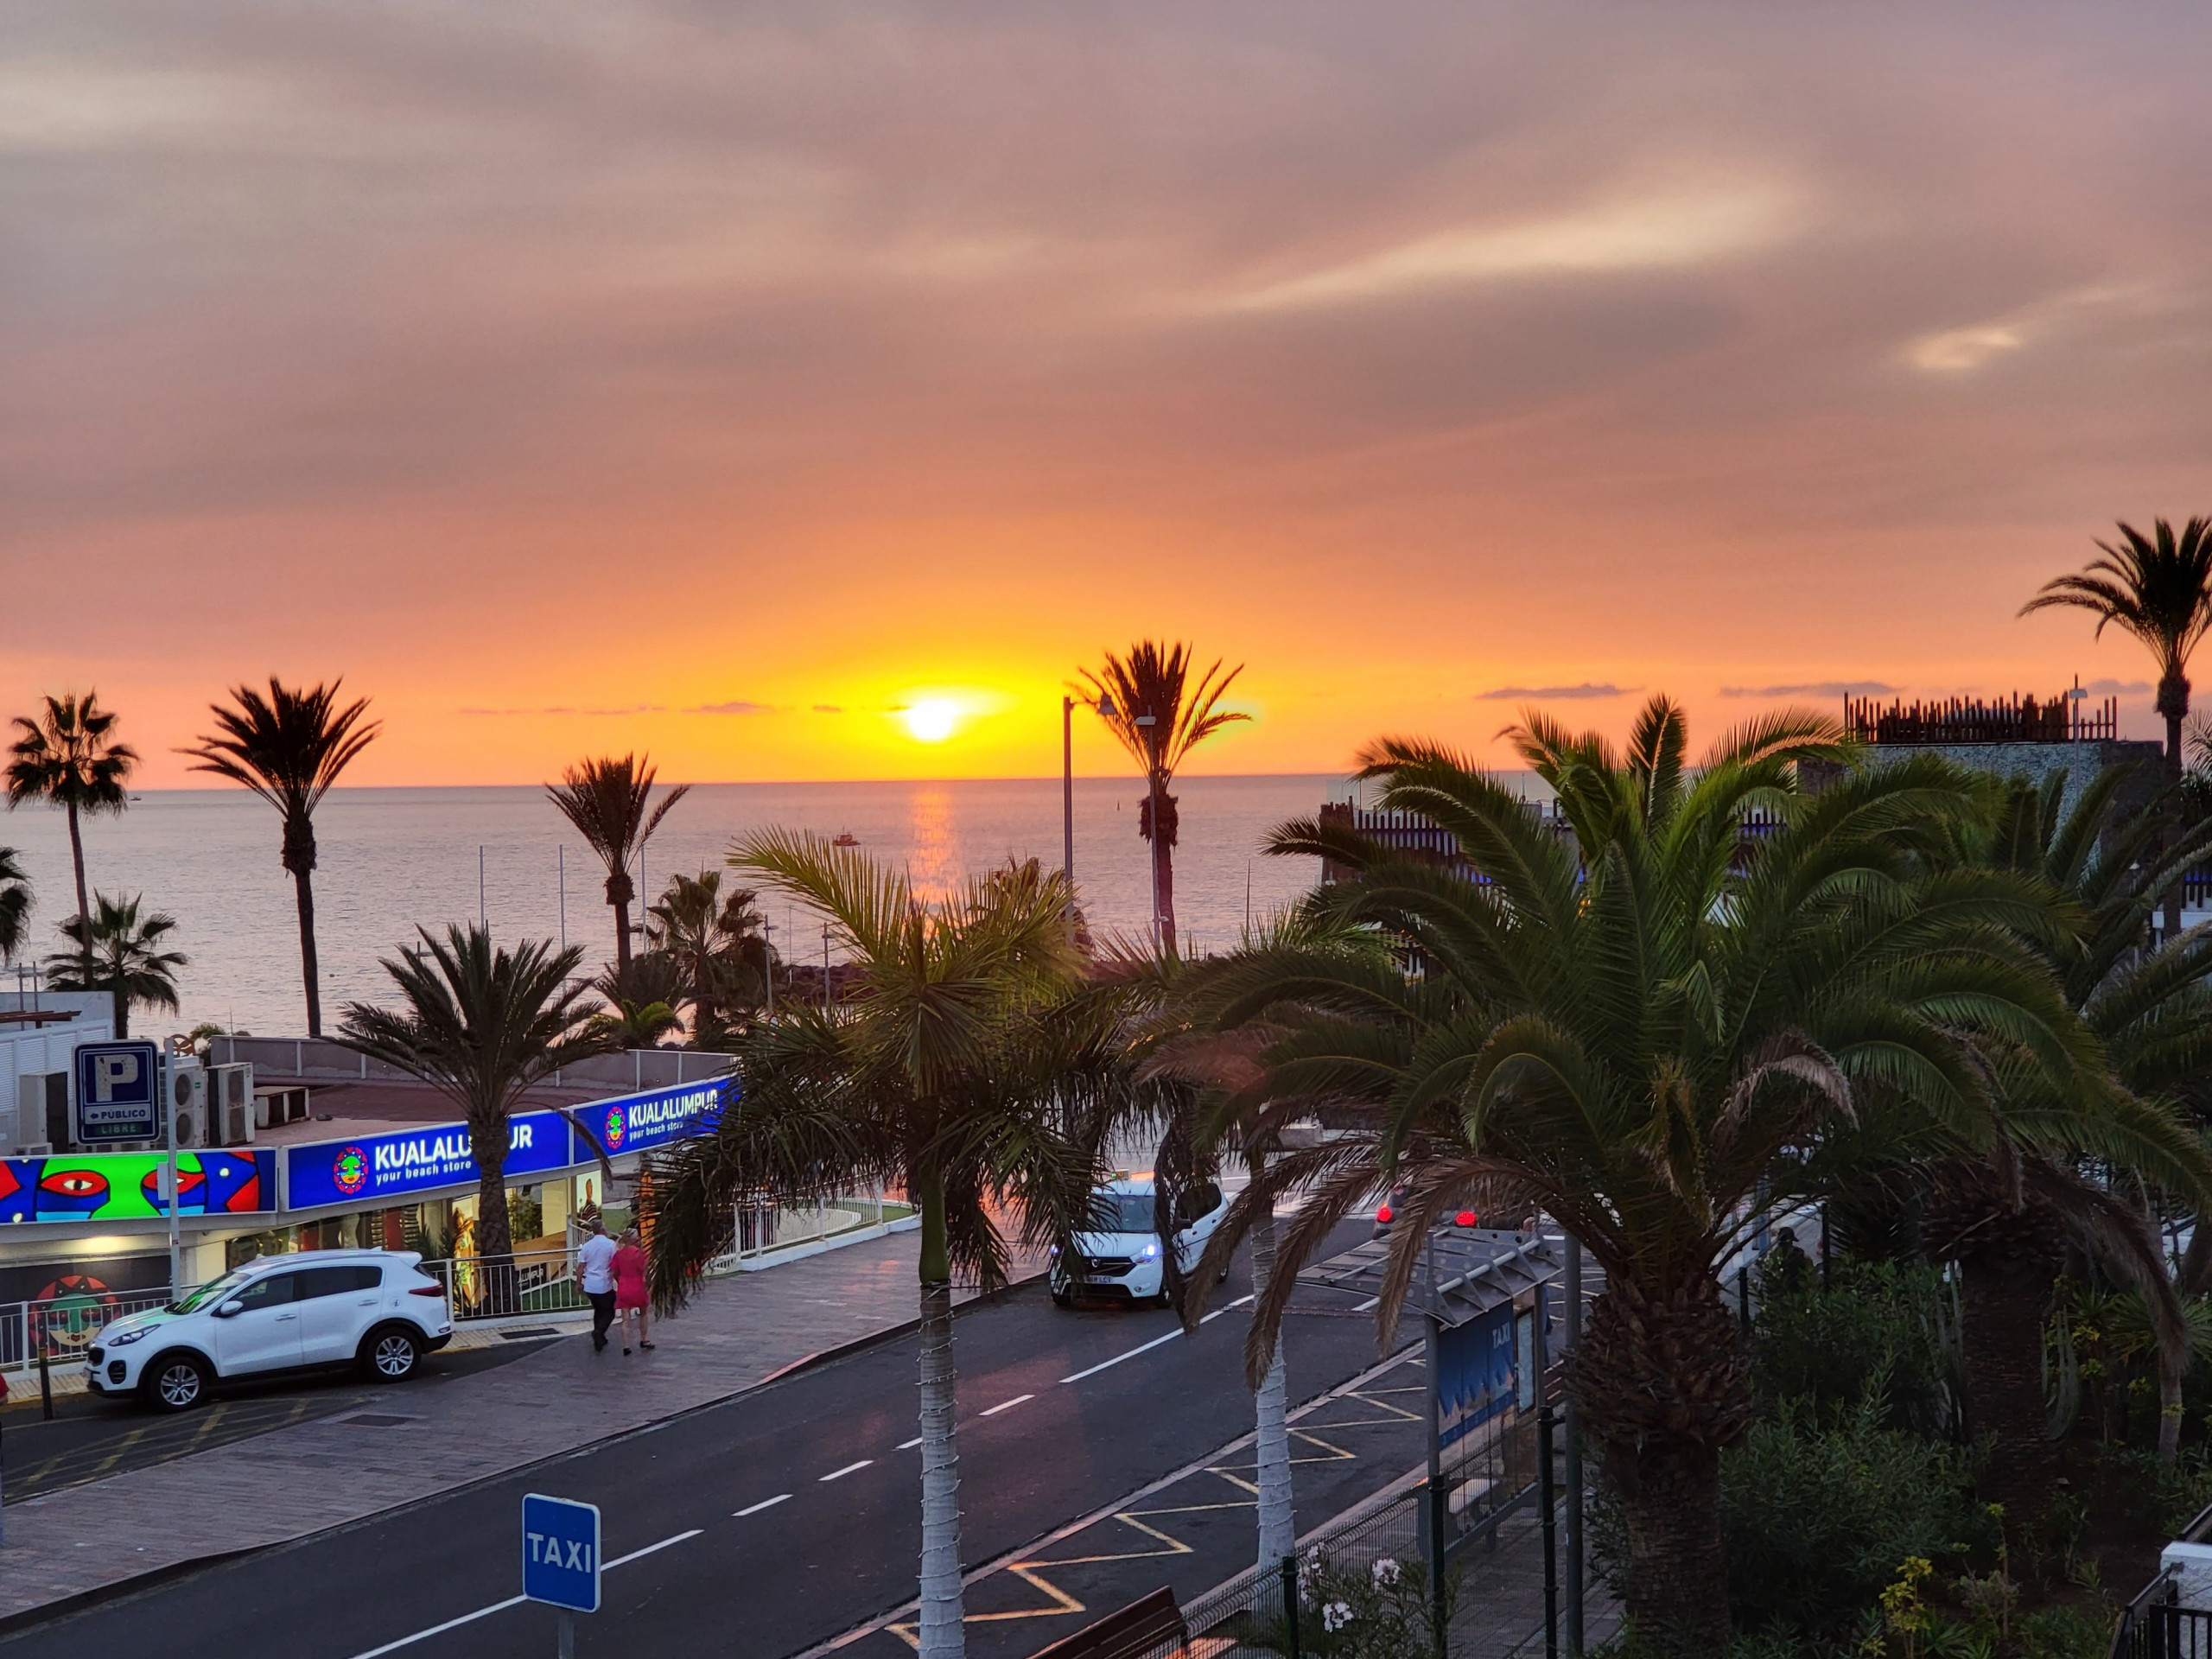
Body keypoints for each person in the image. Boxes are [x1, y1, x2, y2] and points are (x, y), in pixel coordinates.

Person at [577, 1217, 619, 1353]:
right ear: (602, 1229)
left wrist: (578, 1283)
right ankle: (599, 1332)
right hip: (604, 1283)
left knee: (598, 1310)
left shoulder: (587, 1246)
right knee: (609, 1311)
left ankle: (599, 1338)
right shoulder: (610, 1244)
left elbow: (581, 1267)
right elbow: (615, 1264)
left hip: (590, 1285)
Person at [613, 1226, 652, 1355]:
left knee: (625, 1319)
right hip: (638, 1285)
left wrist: (621, 1281)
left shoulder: (619, 1254)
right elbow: (645, 1270)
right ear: (634, 1238)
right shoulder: (640, 1253)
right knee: (643, 1313)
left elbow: (614, 1271)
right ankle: (644, 1339)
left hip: (624, 1286)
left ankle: (626, 1345)